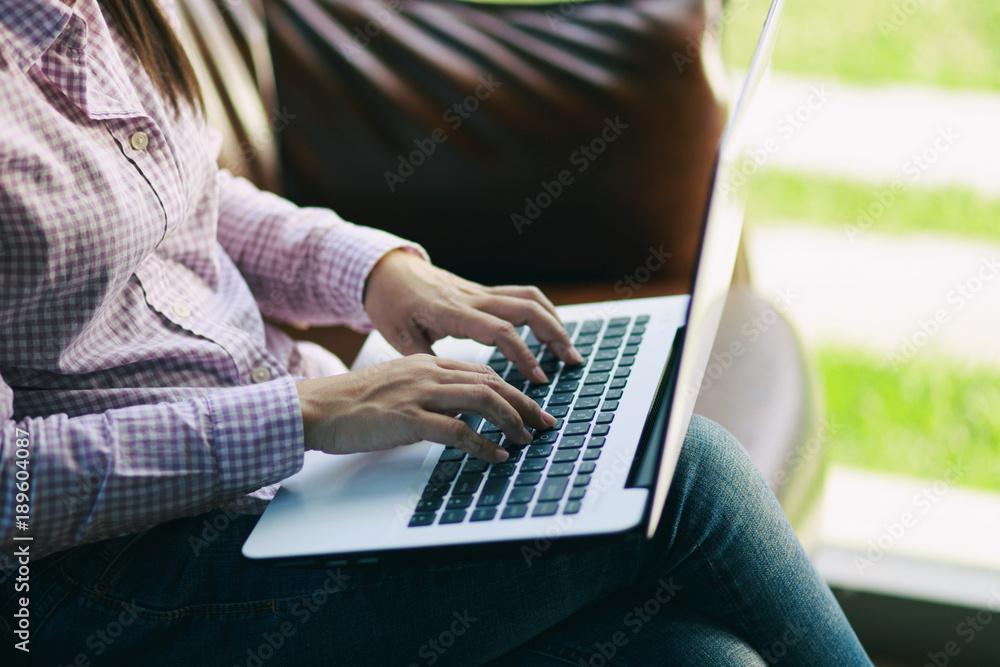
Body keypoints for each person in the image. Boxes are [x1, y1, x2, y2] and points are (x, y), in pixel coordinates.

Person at [0, 1, 872, 664]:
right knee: (682, 476)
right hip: (106, 581)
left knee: (698, 657)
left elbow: (183, 198)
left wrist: (377, 271)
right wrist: (305, 411)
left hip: (286, 484)